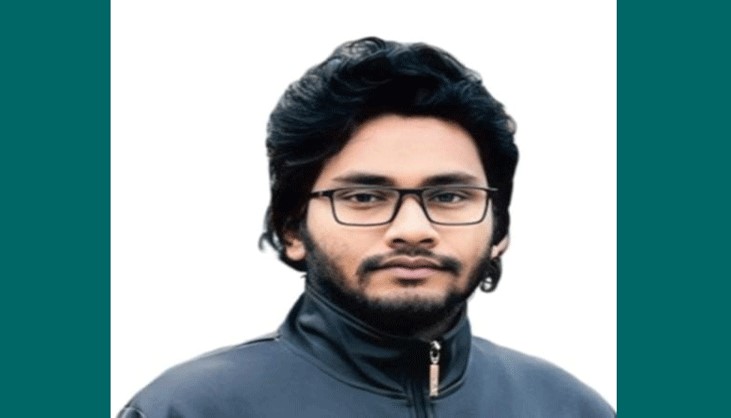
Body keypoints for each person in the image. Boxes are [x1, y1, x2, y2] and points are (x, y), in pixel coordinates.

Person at [118, 37, 615, 417]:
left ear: (499, 227)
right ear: (292, 229)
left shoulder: (567, 407)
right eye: (364, 197)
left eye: (448, 196)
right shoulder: (189, 409)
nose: (413, 229)